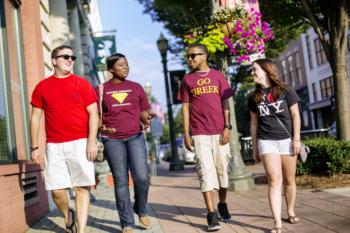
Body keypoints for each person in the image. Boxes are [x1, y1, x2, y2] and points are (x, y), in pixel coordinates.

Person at [30, 45, 99, 233]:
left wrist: (91, 141)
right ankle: (67, 215)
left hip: (80, 143)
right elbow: (35, 117)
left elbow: (93, 113)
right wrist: (35, 146)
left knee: (82, 188)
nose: (70, 60)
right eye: (66, 56)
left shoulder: (82, 83)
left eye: (73, 57)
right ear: (54, 61)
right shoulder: (42, 87)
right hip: (54, 146)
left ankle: (81, 230)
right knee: (57, 190)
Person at [178, 44, 234, 232]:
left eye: (194, 55)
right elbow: (185, 107)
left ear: (204, 56)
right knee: (204, 172)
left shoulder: (218, 76)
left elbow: (225, 102)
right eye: (189, 56)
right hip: (200, 133)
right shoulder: (187, 80)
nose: (190, 59)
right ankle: (211, 215)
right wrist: (186, 133)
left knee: (222, 172)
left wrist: (227, 127)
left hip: (219, 132)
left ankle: (222, 203)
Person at [97, 53, 153, 233]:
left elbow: (143, 111)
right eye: (121, 65)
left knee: (142, 177)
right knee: (121, 180)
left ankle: (141, 208)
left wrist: (147, 118)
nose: (125, 68)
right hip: (112, 140)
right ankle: (127, 223)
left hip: (135, 136)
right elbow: (94, 116)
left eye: (127, 64)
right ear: (111, 69)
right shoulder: (100, 89)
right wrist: (101, 128)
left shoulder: (136, 88)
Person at [248, 58, 301, 233]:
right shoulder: (253, 97)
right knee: (274, 180)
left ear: (266, 70)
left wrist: (296, 139)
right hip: (266, 141)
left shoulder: (286, 90)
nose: (252, 73)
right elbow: (254, 124)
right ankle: (277, 222)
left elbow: (295, 115)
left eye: (255, 69)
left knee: (289, 180)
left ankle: (290, 210)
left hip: (286, 140)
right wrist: (255, 147)